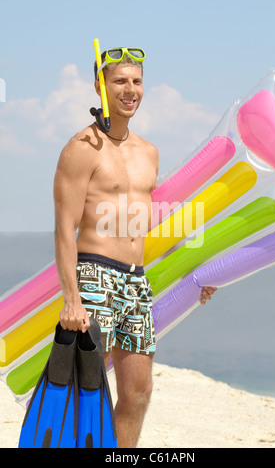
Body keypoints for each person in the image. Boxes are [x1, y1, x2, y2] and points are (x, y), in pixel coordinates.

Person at [53, 48, 217, 448]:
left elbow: (147, 222)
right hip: (94, 277)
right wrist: (72, 299)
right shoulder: (81, 148)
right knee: (86, 393)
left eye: (136, 81)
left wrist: (190, 271)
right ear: (100, 86)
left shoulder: (149, 152)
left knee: (138, 393)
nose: (130, 89)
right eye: (119, 81)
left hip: (135, 283)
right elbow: (63, 228)